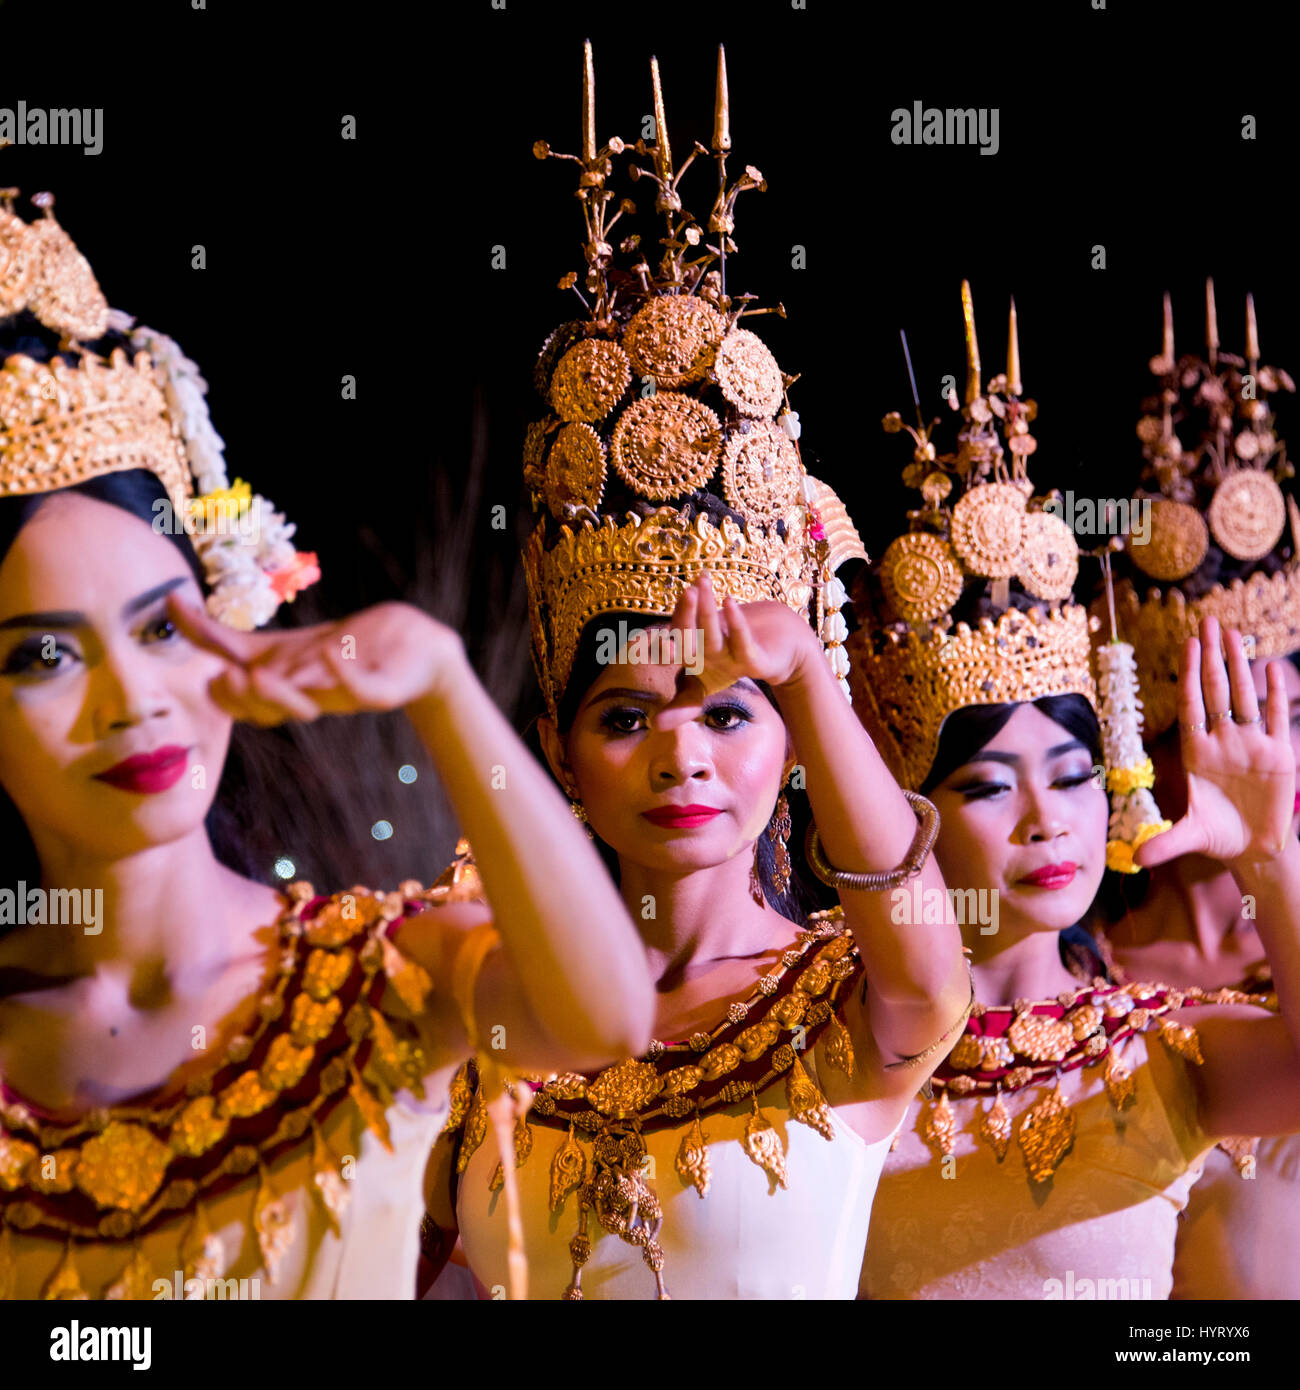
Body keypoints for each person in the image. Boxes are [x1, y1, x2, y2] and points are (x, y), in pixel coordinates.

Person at [0, 186, 654, 1300]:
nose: (133, 700)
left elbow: (601, 1016)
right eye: (44, 657)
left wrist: (442, 685)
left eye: (163, 626)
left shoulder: (384, 978)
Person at [422, 44, 972, 1300]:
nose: (681, 751)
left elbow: (933, 972)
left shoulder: (846, 1002)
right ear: (562, 749)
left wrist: (808, 681)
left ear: (784, 748)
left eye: (729, 712)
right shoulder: (504, 1023)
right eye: (626, 714)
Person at [853, 285, 1300, 1300]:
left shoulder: (1155, 1043)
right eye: (986, 783)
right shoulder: (837, 1043)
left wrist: (1269, 859)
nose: (1045, 815)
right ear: (908, 812)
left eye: (1069, 774)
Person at [1091, 285, 1300, 1299]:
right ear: (1150, 745)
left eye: (1293, 719)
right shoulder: (1084, 967)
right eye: (1227, 721)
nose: (1268, 753)